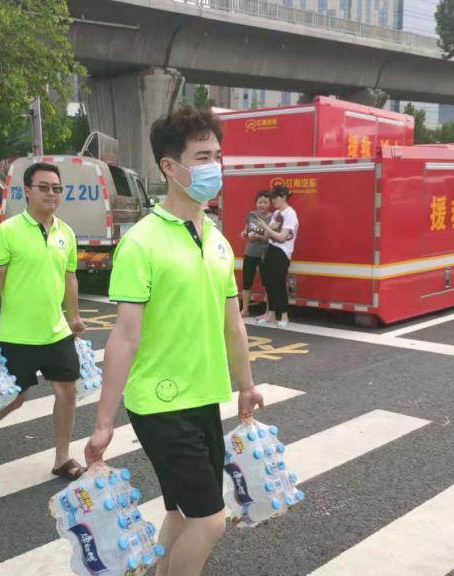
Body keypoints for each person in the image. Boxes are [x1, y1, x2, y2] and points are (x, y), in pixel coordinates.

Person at [85, 106, 264, 576]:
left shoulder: (218, 240)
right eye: (202, 157)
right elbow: (124, 336)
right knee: (210, 521)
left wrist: (246, 384)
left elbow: (233, 324)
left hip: (204, 396)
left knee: (182, 514)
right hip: (160, 402)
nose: (214, 167)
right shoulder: (141, 242)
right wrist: (104, 422)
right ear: (170, 166)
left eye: (217, 156)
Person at [0, 162, 86, 480]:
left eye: (56, 188)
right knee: (16, 396)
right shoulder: (7, 231)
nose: (51, 193)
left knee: (67, 391)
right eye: (44, 187)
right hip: (18, 334)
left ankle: (62, 458)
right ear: (27, 191)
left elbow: (70, 277)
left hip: (56, 332)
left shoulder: (66, 233)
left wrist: (74, 315)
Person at [255, 184, 298, 327]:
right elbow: (268, 235)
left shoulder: (290, 213)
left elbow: (282, 237)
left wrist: (266, 227)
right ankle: (271, 314)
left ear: (283, 197)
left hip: (282, 251)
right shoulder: (276, 213)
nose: (273, 201)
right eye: (272, 198)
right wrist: (265, 229)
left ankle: (284, 316)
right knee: (269, 283)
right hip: (271, 249)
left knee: (279, 283)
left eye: (275, 198)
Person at [240, 189, 271, 319]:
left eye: (265, 202)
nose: (262, 205)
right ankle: (245, 309)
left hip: (265, 254)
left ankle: (268, 311)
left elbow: (273, 237)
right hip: (250, 252)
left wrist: (260, 237)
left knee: (267, 284)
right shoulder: (251, 215)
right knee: (246, 282)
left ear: (270, 204)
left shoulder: (273, 218)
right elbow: (246, 230)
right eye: (259, 202)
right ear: (256, 203)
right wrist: (244, 234)